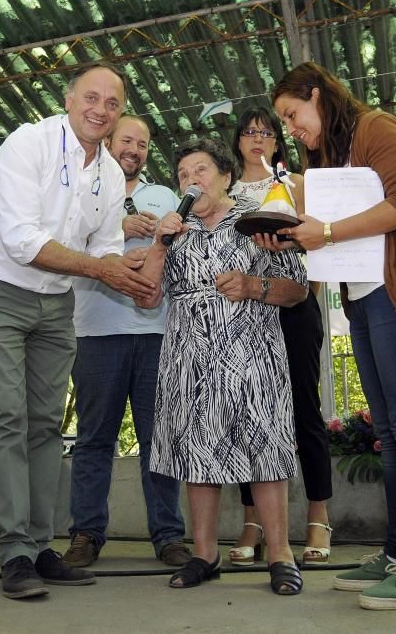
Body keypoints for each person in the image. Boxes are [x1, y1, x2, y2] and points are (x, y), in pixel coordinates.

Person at [0, 63, 157, 600]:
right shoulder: (29, 144)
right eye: (90, 98)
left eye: (112, 103)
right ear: (69, 100)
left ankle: (40, 546)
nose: (100, 110)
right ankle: (14, 550)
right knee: (4, 417)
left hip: (55, 299)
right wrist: (105, 271)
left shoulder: (111, 175)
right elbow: (22, 240)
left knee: (45, 424)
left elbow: (106, 244)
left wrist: (132, 278)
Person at [264, 61, 396, 611]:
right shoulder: (323, 157)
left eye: (292, 114)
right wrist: (297, 238)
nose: (291, 128)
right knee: (391, 433)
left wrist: (323, 232)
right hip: (367, 298)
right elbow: (332, 235)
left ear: (318, 95)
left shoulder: (377, 128)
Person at [135, 138, 310, 596]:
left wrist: (255, 285)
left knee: (266, 450)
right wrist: (159, 243)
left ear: (227, 176)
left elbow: (298, 289)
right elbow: (146, 295)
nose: (191, 180)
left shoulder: (258, 221)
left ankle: (280, 554)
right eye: (182, 174)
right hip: (188, 357)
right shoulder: (175, 231)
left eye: (201, 170)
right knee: (197, 451)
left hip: (253, 353)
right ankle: (205, 554)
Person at [63, 115, 190, 568]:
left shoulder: (164, 196)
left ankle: (169, 534)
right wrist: (123, 225)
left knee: (161, 439)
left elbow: (184, 252)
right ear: (109, 141)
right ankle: (86, 534)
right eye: (126, 140)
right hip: (95, 332)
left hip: (157, 332)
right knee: (94, 439)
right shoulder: (81, 188)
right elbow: (63, 240)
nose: (133, 148)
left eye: (142, 143)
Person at [228, 107, 334, 567]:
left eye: (266, 132)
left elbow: (323, 241)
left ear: (277, 141)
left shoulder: (299, 184)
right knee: (246, 414)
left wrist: (306, 294)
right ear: (237, 141)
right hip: (242, 313)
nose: (257, 139)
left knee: (305, 411)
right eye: (249, 132)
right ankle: (253, 520)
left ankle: (318, 515)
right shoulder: (225, 192)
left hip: (294, 305)